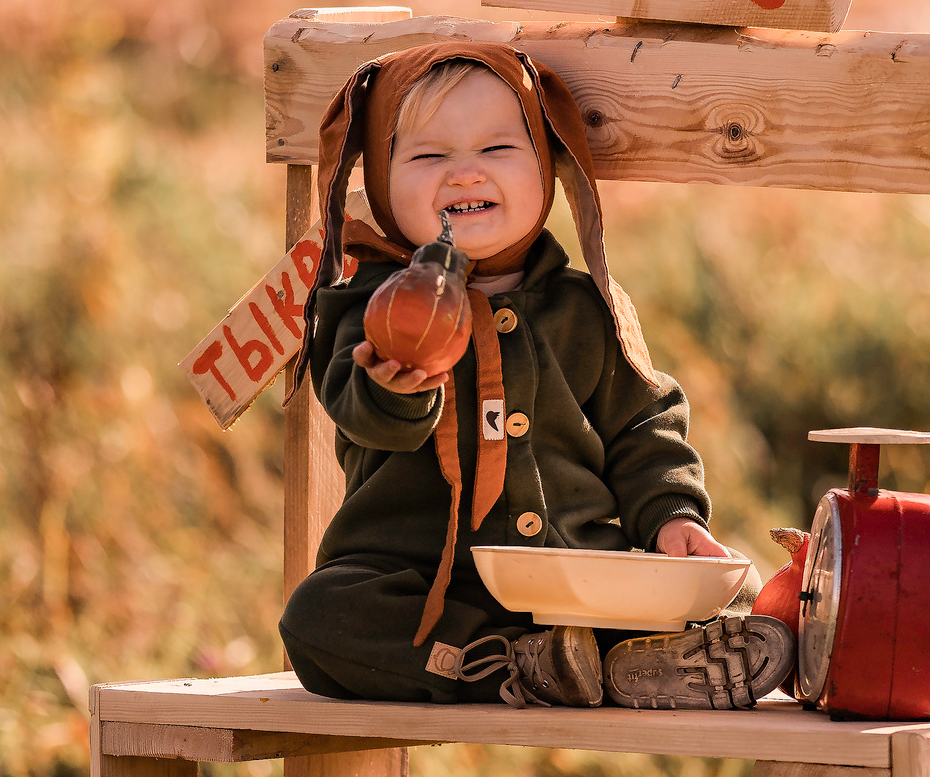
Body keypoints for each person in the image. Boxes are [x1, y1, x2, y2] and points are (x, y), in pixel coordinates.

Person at [278, 40, 793, 708]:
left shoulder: (586, 307)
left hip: (579, 578)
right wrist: (399, 383)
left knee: (729, 592)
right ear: (378, 176)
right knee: (320, 614)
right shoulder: (367, 306)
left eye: (496, 150)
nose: (465, 174)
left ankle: (629, 658)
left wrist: (669, 517)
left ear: (546, 168)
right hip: (431, 588)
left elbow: (643, 425)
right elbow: (362, 411)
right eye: (430, 155)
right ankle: (513, 665)